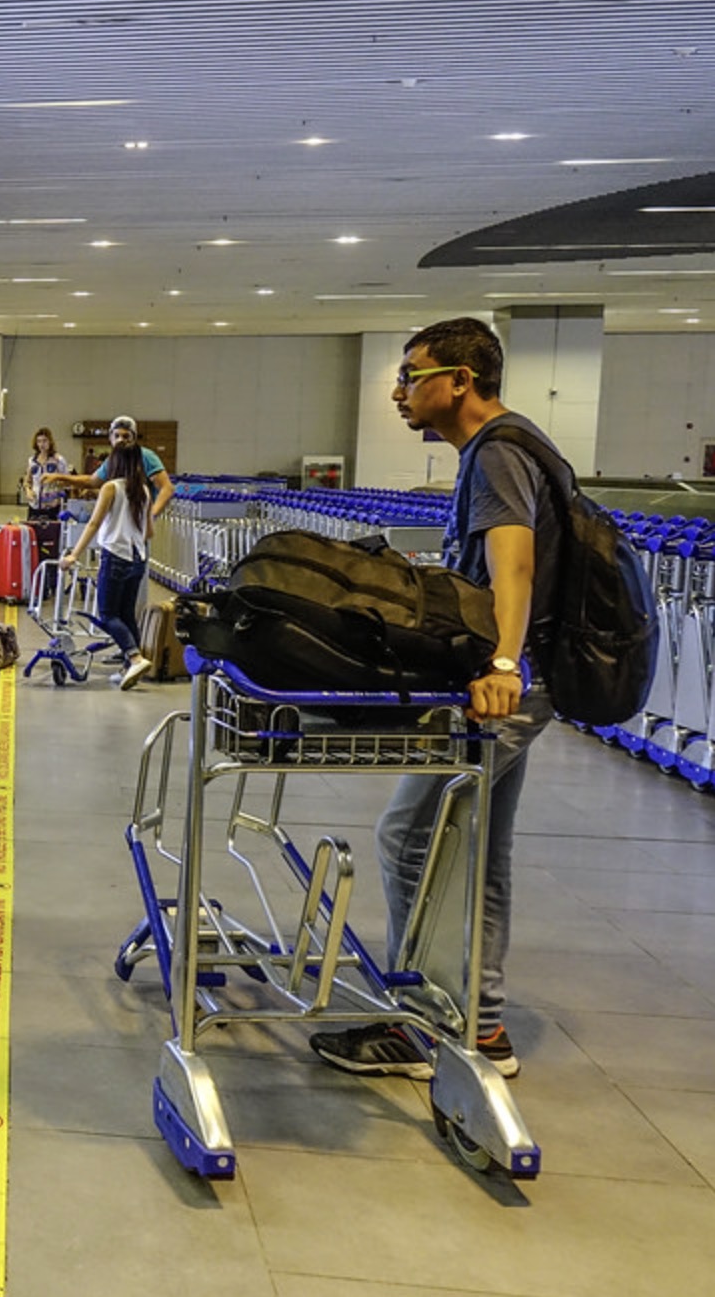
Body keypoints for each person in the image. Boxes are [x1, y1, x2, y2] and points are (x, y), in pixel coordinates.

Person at [309, 317, 562, 1082]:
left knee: (407, 836)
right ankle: (480, 1027)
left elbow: (512, 564)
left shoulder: (497, 454)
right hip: (524, 681)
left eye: (412, 374)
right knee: (482, 853)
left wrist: (505, 661)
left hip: (507, 686)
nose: (399, 391)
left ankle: (419, 1025)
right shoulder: (514, 445)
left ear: (459, 380)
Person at [58, 439, 154, 691]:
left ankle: (135, 658)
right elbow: (149, 530)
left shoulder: (111, 488)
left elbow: (94, 523)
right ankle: (129, 665)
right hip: (138, 558)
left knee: (108, 614)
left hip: (115, 556)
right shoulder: (143, 489)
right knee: (126, 614)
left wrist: (73, 555)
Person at [43, 416, 175, 521]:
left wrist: (152, 515)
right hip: (117, 519)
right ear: (110, 438)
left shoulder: (145, 456)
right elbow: (92, 481)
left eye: (126, 436)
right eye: (116, 436)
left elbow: (167, 488)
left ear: (134, 438)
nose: (120, 440)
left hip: (137, 520)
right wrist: (60, 477)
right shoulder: (112, 461)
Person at [25, 427, 69, 520]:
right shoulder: (32, 461)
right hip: (34, 505)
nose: (42, 444)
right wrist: (28, 491)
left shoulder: (58, 460)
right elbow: (27, 481)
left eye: (44, 441)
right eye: (39, 441)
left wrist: (57, 484)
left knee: (50, 533)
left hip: (52, 507)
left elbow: (67, 481)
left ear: (50, 442)